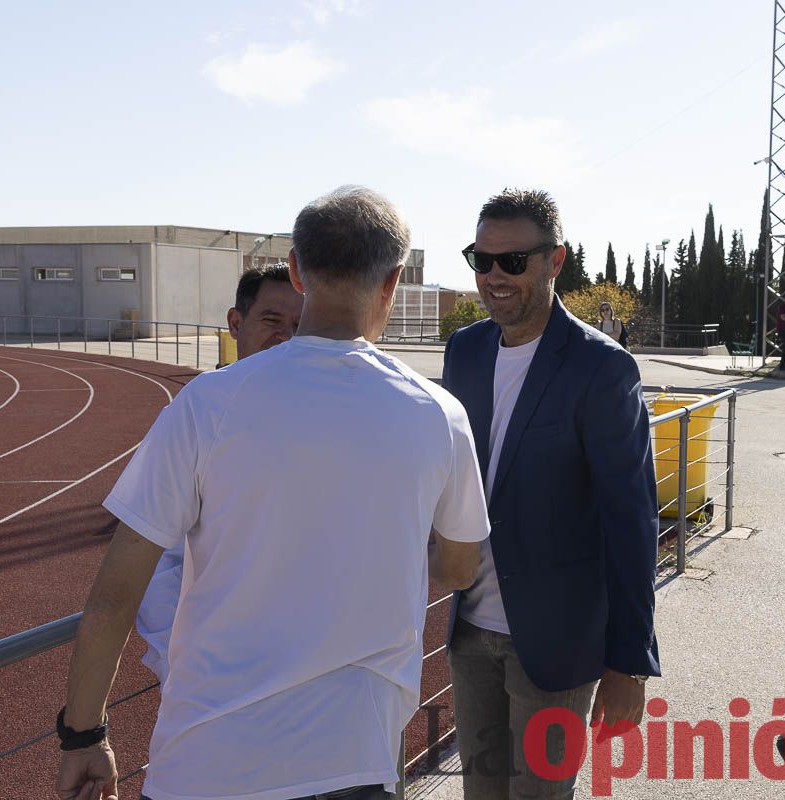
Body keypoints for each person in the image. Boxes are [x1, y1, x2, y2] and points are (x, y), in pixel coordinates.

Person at [55, 186, 490, 800]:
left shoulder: (208, 404)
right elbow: (460, 564)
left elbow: (115, 595)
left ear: (296, 270)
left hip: (204, 763)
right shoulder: (439, 415)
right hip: (353, 760)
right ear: (393, 281)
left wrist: (82, 736)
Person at [445, 188, 660, 799]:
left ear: (554, 260)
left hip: (557, 643)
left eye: (512, 262)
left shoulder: (602, 368)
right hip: (469, 631)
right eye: (480, 260)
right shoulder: (464, 351)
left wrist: (628, 663)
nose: (494, 277)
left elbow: (630, 521)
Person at [135, 263, 303, 686]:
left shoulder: (336, 421)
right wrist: (180, 667)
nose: (285, 336)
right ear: (235, 322)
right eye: (271, 320)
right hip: (218, 682)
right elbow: (155, 563)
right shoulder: (194, 416)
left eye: (299, 325)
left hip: (311, 681)